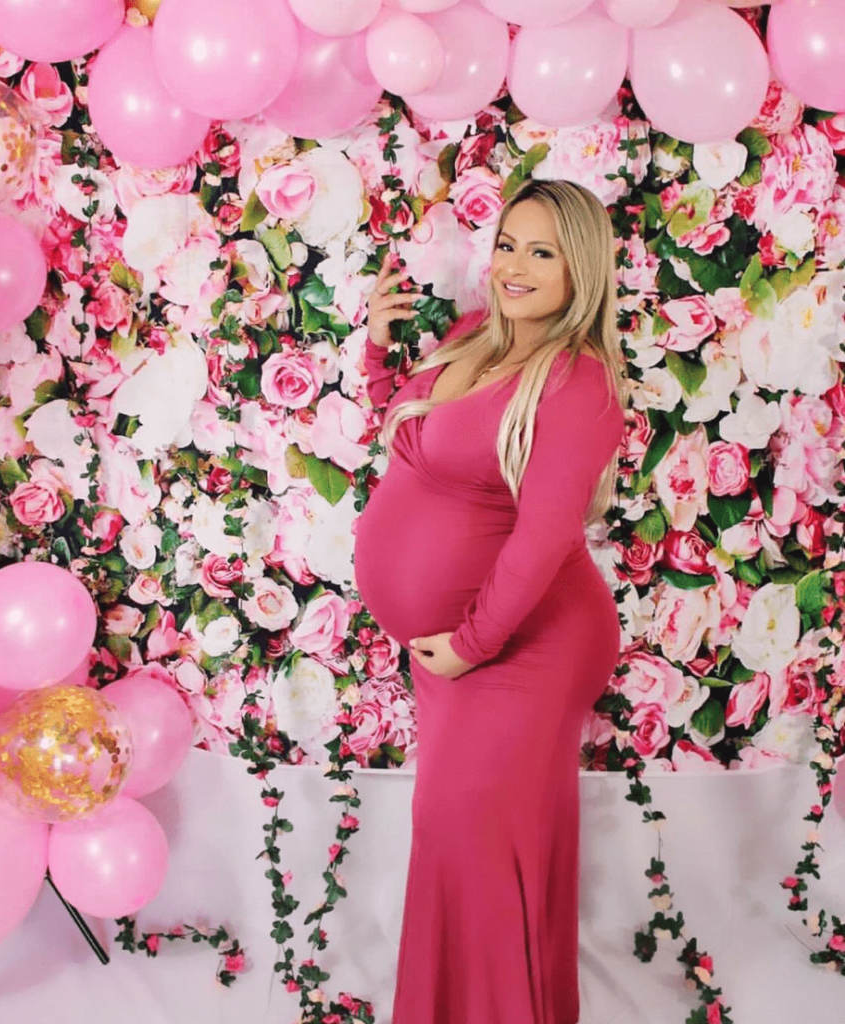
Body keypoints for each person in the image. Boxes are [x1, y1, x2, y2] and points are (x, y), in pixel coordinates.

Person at [353, 178, 627, 1024]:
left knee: (468, 835)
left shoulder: (576, 382)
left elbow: (545, 538)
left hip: (524, 646)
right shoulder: (477, 335)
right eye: (508, 243)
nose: (514, 265)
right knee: (469, 839)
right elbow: (414, 448)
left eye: (541, 252)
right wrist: (377, 351)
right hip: (463, 642)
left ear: (580, 270)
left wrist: (471, 644)